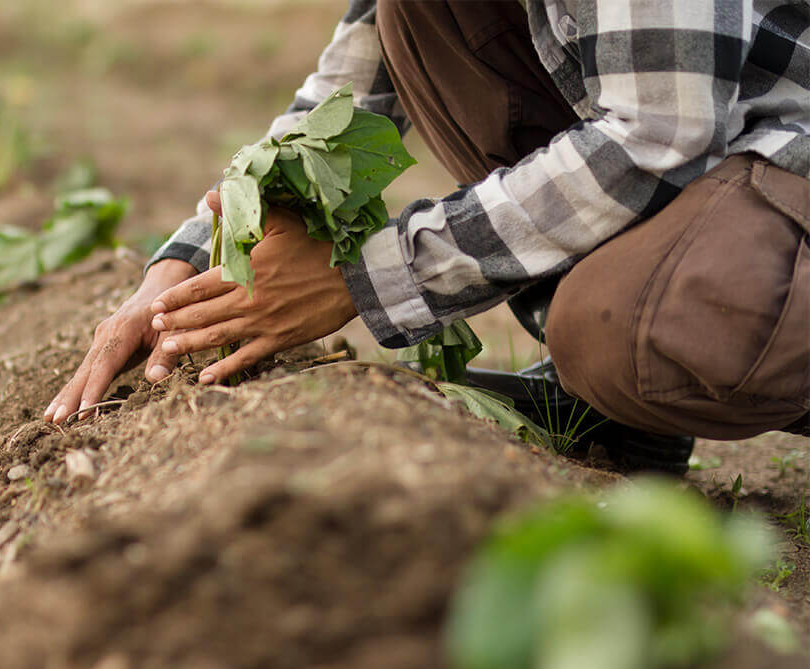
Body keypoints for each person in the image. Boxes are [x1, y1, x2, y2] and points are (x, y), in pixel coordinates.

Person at [45, 0, 809, 470]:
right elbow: (343, 96)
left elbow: (658, 135)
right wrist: (185, 263)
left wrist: (362, 277)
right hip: (723, 159)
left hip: (787, 154)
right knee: (417, 13)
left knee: (616, 332)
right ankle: (620, 417)